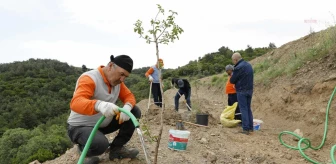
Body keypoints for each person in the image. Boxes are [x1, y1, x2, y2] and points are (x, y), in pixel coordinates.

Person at [67, 55, 141, 164]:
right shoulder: (90, 78)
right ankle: (85, 151)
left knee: (134, 111)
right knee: (100, 144)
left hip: (102, 125)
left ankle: (116, 149)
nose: (122, 79)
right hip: (80, 127)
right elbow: (76, 103)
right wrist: (99, 105)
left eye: (125, 77)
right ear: (110, 66)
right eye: (121, 74)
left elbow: (129, 96)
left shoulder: (117, 83)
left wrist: (128, 107)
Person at [230, 52, 254, 135]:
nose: (233, 62)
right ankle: (251, 127)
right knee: (248, 108)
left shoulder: (238, 67)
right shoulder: (249, 65)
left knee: (243, 109)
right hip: (250, 90)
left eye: (233, 61)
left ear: (235, 59)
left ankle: (245, 129)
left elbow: (232, 80)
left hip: (241, 91)